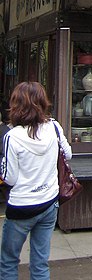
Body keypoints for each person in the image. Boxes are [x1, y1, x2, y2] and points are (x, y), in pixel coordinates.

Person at [0, 81, 72, 280]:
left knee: (8, 261)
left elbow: (10, 177)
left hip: (21, 207)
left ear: (16, 105)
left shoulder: (12, 137)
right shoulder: (54, 128)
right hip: (49, 203)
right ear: (43, 103)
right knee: (40, 263)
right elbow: (68, 154)